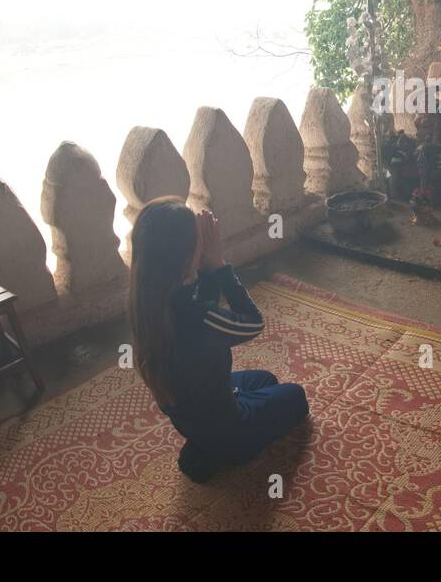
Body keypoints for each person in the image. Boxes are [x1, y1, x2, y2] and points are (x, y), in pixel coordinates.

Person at [127, 196, 309, 482]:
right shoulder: (200, 319)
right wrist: (219, 265)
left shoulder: (146, 305)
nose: (205, 241)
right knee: (296, 397)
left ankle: (204, 449)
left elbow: (200, 300)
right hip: (231, 429)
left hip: (194, 414)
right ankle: (223, 450)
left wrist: (202, 264)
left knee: (265, 380)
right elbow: (253, 323)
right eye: (199, 240)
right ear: (187, 257)